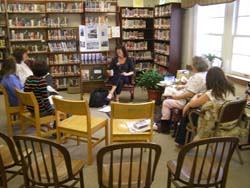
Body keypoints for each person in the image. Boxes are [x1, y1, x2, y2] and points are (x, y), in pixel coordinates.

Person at [175, 67, 236, 146]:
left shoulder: (211, 93)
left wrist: (190, 102)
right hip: (228, 120)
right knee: (191, 109)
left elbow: (192, 103)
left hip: (212, 121)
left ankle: (181, 142)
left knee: (188, 112)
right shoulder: (230, 89)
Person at [158, 56, 209, 133]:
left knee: (166, 102)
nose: (191, 65)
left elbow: (190, 94)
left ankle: (165, 126)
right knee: (170, 90)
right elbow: (195, 87)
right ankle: (169, 119)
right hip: (198, 99)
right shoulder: (205, 74)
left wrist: (176, 97)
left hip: (187, 101)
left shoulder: (197, 77)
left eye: (192, 64)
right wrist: (183, 86)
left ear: (196, 65)